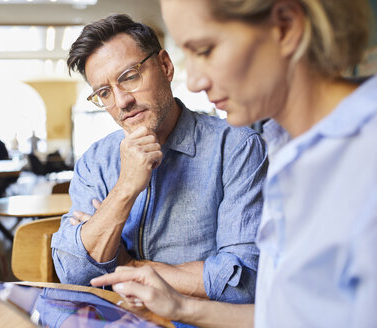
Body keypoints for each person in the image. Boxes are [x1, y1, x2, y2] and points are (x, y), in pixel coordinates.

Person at [91, 1, 377, 327]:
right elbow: (292, 315)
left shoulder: (363, 155)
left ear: (285, 27)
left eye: (206, 50)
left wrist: (137, 265)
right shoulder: (287, 148)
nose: (195, 81)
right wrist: (182, 308)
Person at [51, 14, 268, 303]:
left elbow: (244, 282)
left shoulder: (237, 148)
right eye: (104, 93)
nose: (121, 102)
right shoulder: (95, 160)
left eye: (129, 76)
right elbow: (74, 273)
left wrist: (129, 267)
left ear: (165, 66)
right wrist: (125, 188)